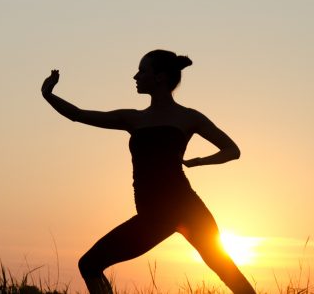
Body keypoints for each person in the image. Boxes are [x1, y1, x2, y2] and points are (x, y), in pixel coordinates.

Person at [41, 50, 255, 294]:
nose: (135, 76)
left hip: (187, 209)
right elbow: (79, 115)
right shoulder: (133, 118)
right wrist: (48, 95)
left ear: (160, 77)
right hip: (152, 217)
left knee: (226, 271)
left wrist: (199, 161)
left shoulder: (188, 117)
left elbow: (232, 150)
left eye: (143, 71)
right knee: (89, 265)